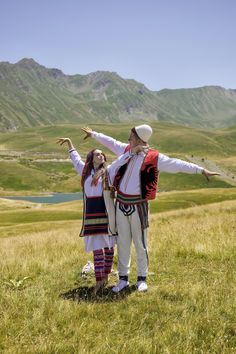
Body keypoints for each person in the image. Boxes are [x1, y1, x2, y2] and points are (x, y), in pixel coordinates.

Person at [81, 125, 220, 293]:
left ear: (139, 139)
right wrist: (94, 134)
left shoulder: (154, 157)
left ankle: (141, 278)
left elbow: (176, 164)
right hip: (121, 204)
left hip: (139, 206)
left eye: (131, 137)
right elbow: (109, 141)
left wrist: (201, 170)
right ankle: (123, 279)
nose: (128, 140)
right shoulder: (126, 150)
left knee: (140, 243)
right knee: (123, 243)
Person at [57, 137, 145, 293]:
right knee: (97, 249)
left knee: (109, 247)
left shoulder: (109, 171)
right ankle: (99, 280)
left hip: (107, 213)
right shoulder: (84, 172)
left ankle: (106, 274)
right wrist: (70, 142)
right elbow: (75, 158)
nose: (101, 156)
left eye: (102, 154)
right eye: (97, 154)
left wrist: (133, 151)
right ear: (91, 159)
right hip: (91, 215)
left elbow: (121, 161)